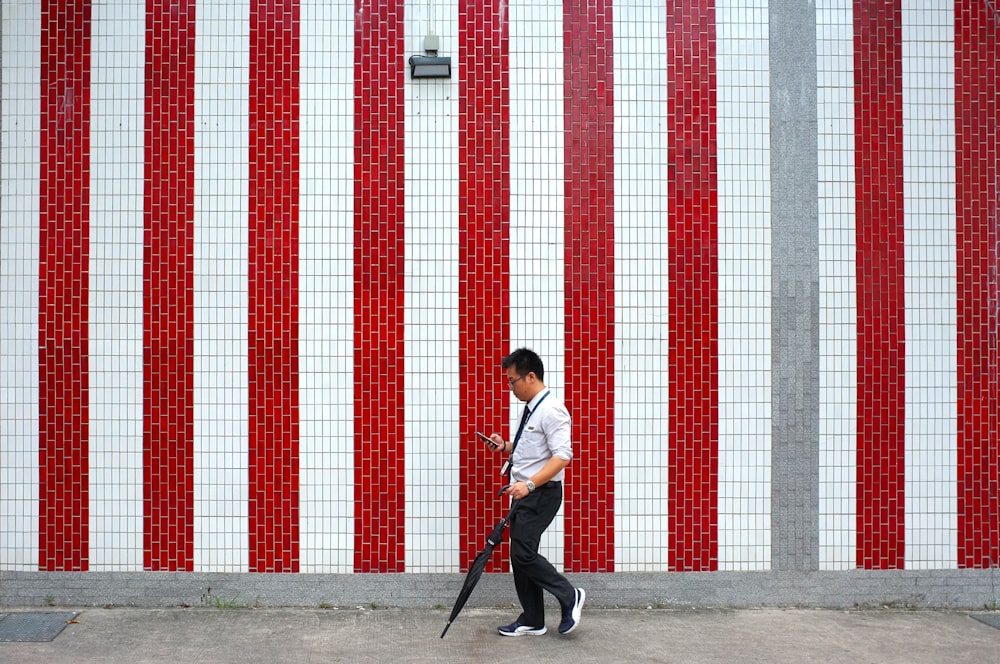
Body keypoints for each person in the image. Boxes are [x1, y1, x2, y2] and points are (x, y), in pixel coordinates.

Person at [485, 347, 585, 636]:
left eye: (512, 381)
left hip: (540, 492)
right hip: (523, 492)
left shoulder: (552, 410)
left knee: (523, 553)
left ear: (530, 376)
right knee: (520, 555)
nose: (510, 387)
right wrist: (504, 446)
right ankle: (532, 619)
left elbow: (562, 456)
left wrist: (529, 485)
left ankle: (570, 596)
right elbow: (532, 451)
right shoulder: (531, 409)